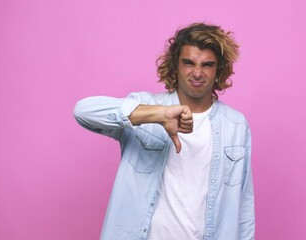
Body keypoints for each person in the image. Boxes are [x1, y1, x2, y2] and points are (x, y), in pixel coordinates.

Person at [74, 22, 255, 240]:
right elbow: (83, 111)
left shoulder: (235, 125)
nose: (197, 73)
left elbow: (243, 205)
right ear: (175, 66)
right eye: (188, 63)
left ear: (219, 70)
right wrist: (158, 115)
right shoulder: (144, 107)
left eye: (207, 65)